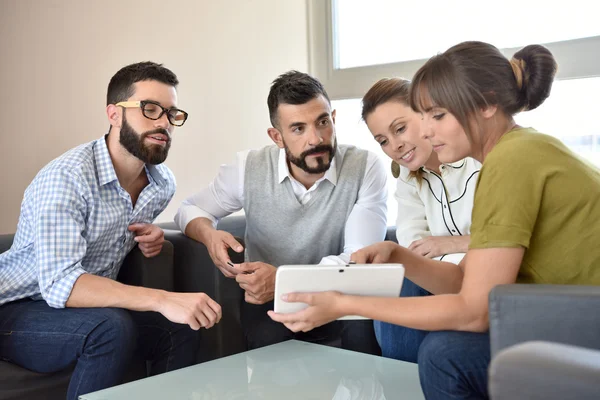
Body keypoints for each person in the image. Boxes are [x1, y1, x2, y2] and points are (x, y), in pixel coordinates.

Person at [268, 42, 600, 399]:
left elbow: (474, 312)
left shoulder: (513, 160)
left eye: (438, 115)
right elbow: (464, 281)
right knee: (443, 347)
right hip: (568, 311)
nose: (425, 131)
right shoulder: (514, 152)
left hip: (585, 318)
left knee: (446, 355)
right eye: (423, 116)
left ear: (487, 104)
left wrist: (344, 303)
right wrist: (399, 256)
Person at [0, 61, 221, 400]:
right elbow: (61, 284)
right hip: (18, 307)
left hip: (88, 310)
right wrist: (162, 299)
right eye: (150, 109)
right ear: (114, 114)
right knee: (110, 328)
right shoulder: (67, 178)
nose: (164, 122)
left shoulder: (161, 184)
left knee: (182, 326)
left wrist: (148, 237)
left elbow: (116, 230)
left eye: (171, 113)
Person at [175, 70, 387, 354]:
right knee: (271, 343)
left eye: (322, 122)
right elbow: (190, 209)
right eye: (298, 129)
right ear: (277, 136)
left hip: (341, 296)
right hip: (270, 301)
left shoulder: (365, 167)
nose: (316, 139)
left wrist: (286, 278)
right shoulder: (247, 168)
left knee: (364, 325)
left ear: (333, 119)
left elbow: (359, 261)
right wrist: (209, 235)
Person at [361, 77, 481, 362]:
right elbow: (415, 243)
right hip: (444, 280)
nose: (395, 146)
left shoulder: (476, 158)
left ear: (426, 115)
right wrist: (440, 257)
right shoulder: (407, 177)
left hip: (487, 275)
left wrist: (453, 244)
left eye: (400, 129)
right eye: (383, 141)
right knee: (396, 272)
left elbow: (507, 238)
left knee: (404, 278)